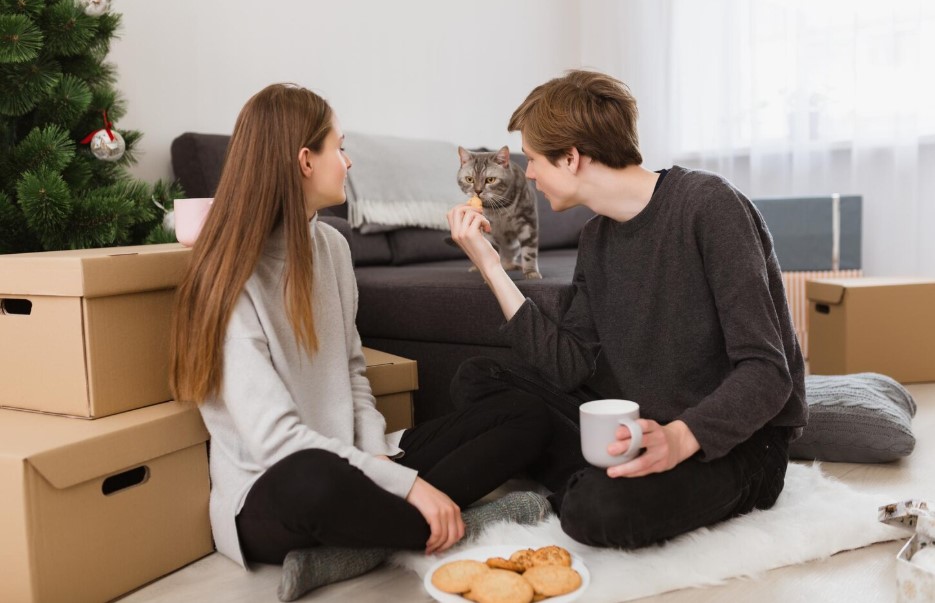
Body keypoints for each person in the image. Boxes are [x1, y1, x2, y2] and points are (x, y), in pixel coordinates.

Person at [169, 83, 553, 602]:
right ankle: (470, 519)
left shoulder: (331, 244)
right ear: (306, 160)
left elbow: (352, 371)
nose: (348, 163)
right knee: (313, 480)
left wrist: (380, 458)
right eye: (340, 148)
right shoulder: (228, 273)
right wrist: (407, 485)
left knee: (525, 412)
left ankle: (357, 548)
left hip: (360, 464)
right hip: (275, 488)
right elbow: (277, 443)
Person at [446, 70, 808, 549]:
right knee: (478, 378)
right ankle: (591, 476)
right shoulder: (596, 238)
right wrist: (492, 268)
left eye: (534, 159)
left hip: (735, 442)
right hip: (636, 426)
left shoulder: (710, 206)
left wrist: (679, 438)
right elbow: (571, 365)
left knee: (596, 509)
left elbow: (767, 373)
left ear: (571, 157)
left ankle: (574, 491)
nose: (528, 174)